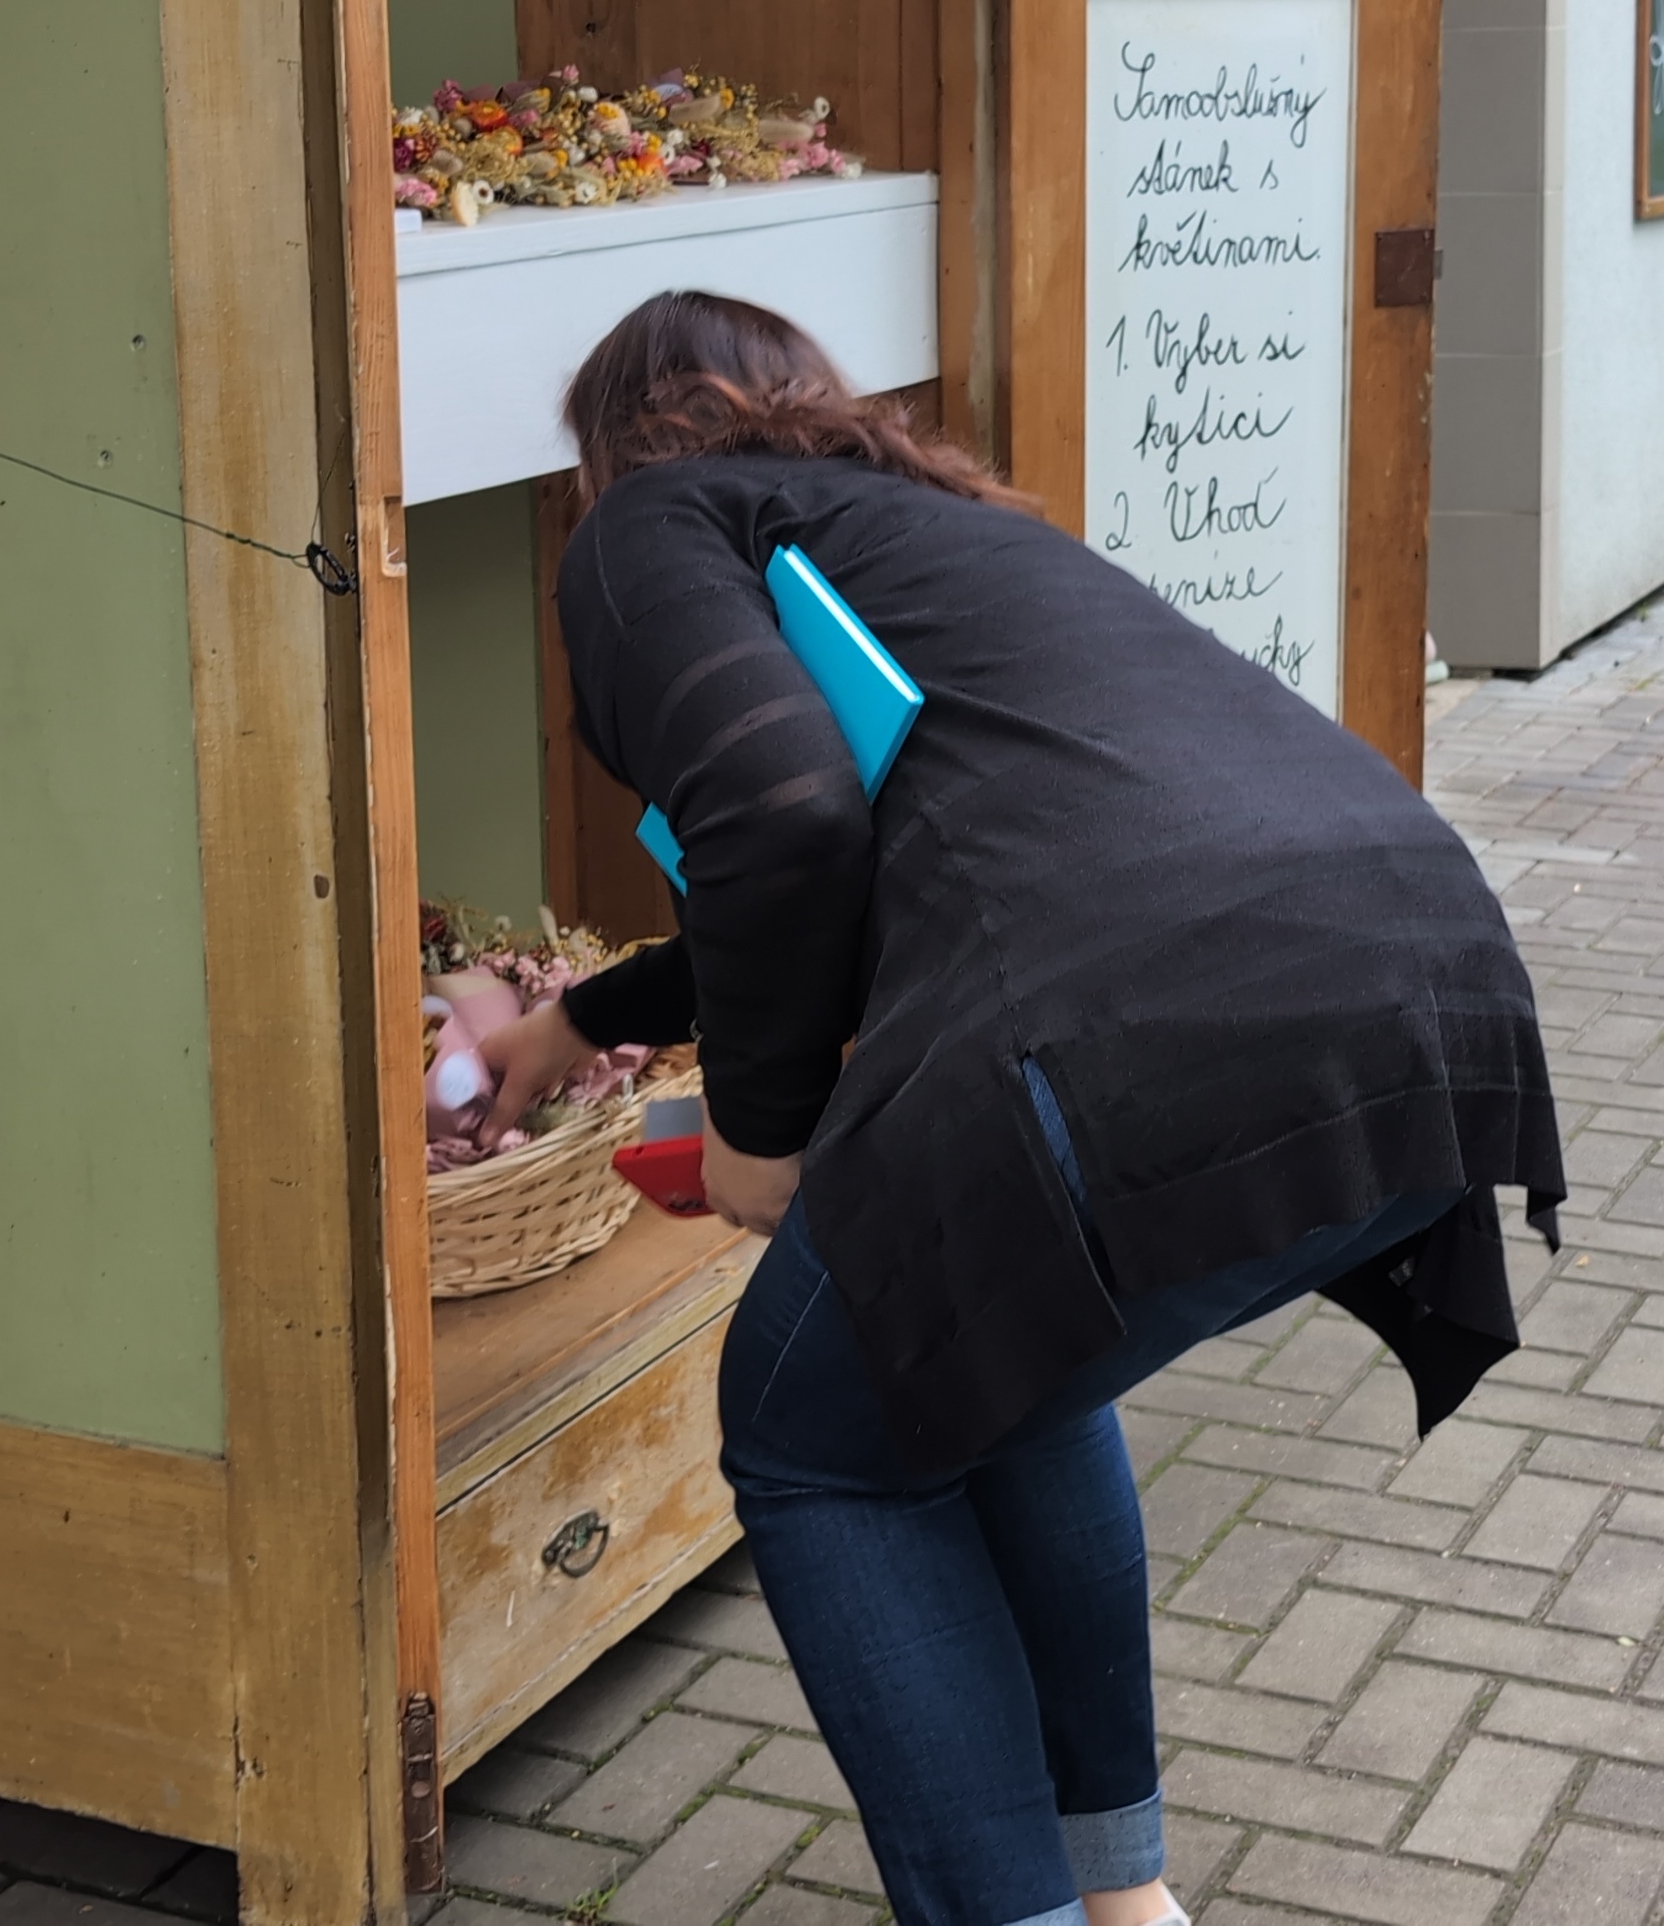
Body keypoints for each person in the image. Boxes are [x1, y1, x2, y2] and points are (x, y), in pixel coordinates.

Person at [472, 292, 1566, 1926]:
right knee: (1005, 1358)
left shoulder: (647, 521)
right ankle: (1125, 1902)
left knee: (809, 1433)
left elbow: (781, 812)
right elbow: (851, 848)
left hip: (1139, 1019)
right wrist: (580, 1020)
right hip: (1423, 979)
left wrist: (759, 1139)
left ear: (608, 456)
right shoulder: (930, 526)